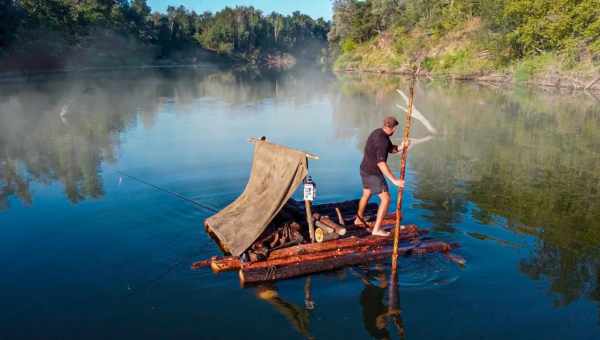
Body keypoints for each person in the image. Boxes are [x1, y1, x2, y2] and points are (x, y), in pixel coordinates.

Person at [354, 116, 407, 236]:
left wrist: (401, 147)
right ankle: (377, 229)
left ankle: (359, 219)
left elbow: (390, 149)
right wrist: (394, 180)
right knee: (386, 198)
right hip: (373, 172)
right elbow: (381, 163)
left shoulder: (378, 132)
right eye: (396, 129)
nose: (395, 131)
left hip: (364, 168)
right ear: (393, 128)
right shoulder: (382, 140)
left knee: (366, 193)